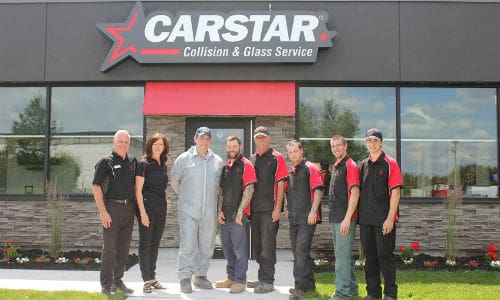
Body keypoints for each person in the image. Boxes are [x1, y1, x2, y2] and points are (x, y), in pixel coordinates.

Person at [171, 126, 224, 293]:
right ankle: (185, 277)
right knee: (188, 244)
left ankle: (200, 276)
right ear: (195, 139)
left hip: (209, 211)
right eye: (202, 137)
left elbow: (220, 187)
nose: (205, 141)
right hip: (188, 210)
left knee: (207, 244)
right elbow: (175, 182)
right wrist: (188, 198)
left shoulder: (217, 161)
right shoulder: (184, 159)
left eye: (208, 138)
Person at [358, 129, 403, 300]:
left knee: (385, 258)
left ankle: (390, 294)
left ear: (381, 142)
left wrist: (390, 218)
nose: (372, 143)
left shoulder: (390, 163)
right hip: (366, 221)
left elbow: (396, 192)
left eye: (375, 140)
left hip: (384, 221)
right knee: (370, 259)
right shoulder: (362, 166)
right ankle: (373, 293)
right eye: (369, 140)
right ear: (366, 143)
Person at [92, 130, 136, 295]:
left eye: (126, 142)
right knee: (110, 248)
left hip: (128, 210)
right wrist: (103, 212)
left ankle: (118, 281)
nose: (123, 144)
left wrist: (135, 210)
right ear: (114, 142)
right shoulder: (105, 162)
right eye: (120, 141)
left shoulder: (132, 162)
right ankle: (106, 284)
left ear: (129, 144)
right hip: (111, 209)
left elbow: (135, 188)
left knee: (124, 248)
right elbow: (96, 187)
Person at [247, 126, 289, 294]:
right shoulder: (251, 158)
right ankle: (262, 276)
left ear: (269, 138)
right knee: (257, 247)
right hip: (255, 210)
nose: (260, 140)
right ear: (254, 140)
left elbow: (281, 184)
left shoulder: (277, 158)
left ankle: (268, 280)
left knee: (267, 246)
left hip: (269, 210)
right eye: (258, 137)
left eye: (263, 137)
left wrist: (278, 208)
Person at [215, 136, 257, 294]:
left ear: (240, 147)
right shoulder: (226, 166)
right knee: (228, 248)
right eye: (229, 147)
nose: (231, 149)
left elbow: (249, 189)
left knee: (240, 250)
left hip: (238, 216)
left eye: (234, 146)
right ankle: (231, 277)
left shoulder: (246, 164)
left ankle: (240, 280)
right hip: (225, 216)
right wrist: (219, 211)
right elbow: (221, 192)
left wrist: (240, 212)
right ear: (226, 148)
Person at [285, 140, 323, 300]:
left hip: (308, 218)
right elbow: (290, 193)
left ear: (301, 151)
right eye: (290, 152)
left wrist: (313, 212)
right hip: (294, 218)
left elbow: (319, 190)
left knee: (300, 251)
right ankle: (310, 284)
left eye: (295, 151)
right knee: (300, 252)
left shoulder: (310, 168)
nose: (293, 154)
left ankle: (299, 287)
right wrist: (288, 209)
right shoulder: (291, 171)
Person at [135, 133, 170, 293]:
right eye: (155, 144)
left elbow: (163, 186)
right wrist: (142, 213)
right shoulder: (144, 164)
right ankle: (146, 279)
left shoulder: (163, 164)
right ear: (150, 146)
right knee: (145, 244)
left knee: (155, 244)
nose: (158, 147)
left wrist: (167, 201)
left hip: (160, 208)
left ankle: (153, 277)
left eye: (160, 144)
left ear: (164, 147)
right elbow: (138, 190)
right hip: (147, 208)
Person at [328, 134, 360, 300]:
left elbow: (355, 193)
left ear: (345, 146)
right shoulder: (338, 165)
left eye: (338, 145)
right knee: (344, 255)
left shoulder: (350, 165)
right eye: (333, 146)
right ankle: (352, 289)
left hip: (344, 218)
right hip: (336, 217)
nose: (336, 149)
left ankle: (342, 293)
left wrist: (347, 219)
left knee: (341, 257)